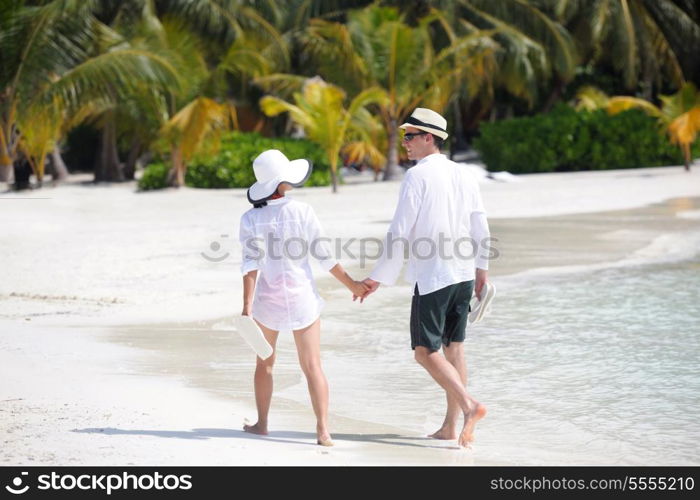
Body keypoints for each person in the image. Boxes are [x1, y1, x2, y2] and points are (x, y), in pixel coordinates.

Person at [358, 108, 491, 448]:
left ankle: (469, 406)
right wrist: (481, 270)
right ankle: (450, 427)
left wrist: (378, 277)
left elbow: (399, 231)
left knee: (424, 351)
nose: (404, 143)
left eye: (410, 136)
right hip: (462, 273)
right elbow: (480, 225)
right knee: (454, 349)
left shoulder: (417, 177)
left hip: (434, 275)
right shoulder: (464, 175)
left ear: (429, 138)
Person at [239, 149, 368, 447]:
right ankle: (323, 431)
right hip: (302, 299)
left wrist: (246, 306)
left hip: (266, 300)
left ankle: (262, 424)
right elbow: (325, 257)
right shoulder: (302, 212)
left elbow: (250, 265)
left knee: (264, 365)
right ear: (282, 183)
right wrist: (352, 285)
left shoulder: (249, 219)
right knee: (312, 366)